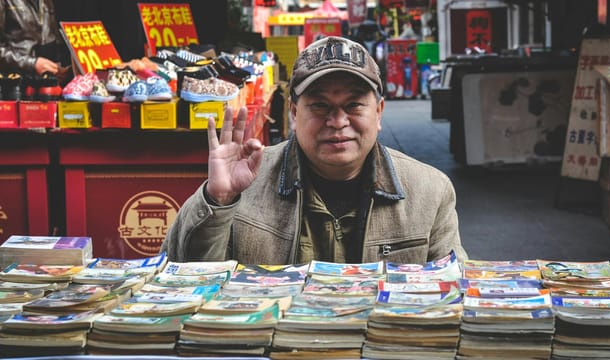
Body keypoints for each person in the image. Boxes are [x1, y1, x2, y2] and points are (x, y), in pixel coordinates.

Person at [161, 36, 468, 265]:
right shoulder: (246, 182)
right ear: (294, 114)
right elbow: (182, 278)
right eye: (320, 105)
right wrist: (218, 202)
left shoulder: (430, 191)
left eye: (354, 105)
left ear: (379, 113)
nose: (337, 122)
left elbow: (454, 295)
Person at [0, 0, 70, 81]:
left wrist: (59, 67)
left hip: (45, 81)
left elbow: (50, 36)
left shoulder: (46, 2)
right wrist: (31, 63)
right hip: (13, 81)